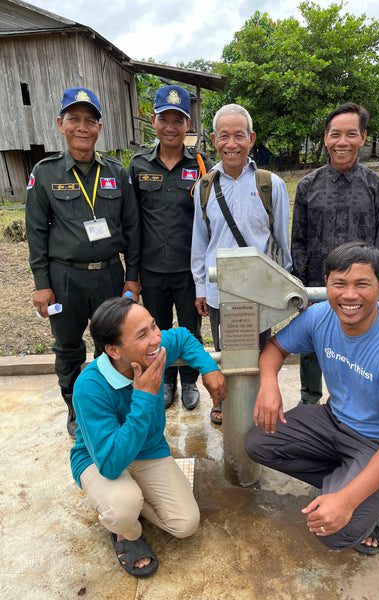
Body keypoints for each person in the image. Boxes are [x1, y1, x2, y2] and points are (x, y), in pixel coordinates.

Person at [246, 243, 379, 555]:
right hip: (335, 421)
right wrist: (268, 383)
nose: (349, 296)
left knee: (335, 533)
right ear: (326, 283)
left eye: (362, 284)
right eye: (339, 284)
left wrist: (346, 500)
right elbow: (275, 348)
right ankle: (363, 485)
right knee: (258, 442)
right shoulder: (320, 317)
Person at [70, 296, 226, 577]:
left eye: (153, 326)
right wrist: (143, 395)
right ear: (113, 350)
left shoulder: (154, 349)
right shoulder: (89, 387)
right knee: (122, 509)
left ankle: (132, 503)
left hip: (148, 450)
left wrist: (209, 368)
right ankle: (125, 532)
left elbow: (183, 336)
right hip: (100, 459)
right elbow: (111, 463)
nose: (156, 339)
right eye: (143, 334)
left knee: (185, 524)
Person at [26, 87, 140, 437]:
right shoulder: (45, 173)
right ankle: (77, 410)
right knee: (68, 347)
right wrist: (42, 284)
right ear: (61, 124)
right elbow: (36, 232)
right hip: (65, 280)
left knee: (114, 346)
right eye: (74, 119)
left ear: (99, 128)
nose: (82, 127)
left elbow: (132, 228)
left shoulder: (117, 173)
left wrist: (132, 278)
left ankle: (113, 404)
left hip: (109, 274)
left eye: (90, 120)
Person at [191, 103, 292, 425]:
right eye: (224, 136)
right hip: (221, 290)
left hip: (260, 290)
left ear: (251, 138)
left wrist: (283, 285)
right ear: (213, 139)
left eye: (238, 135)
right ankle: (225, 401)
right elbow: (199, 242)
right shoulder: (204, 187)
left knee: (261, 351)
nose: (231, 143)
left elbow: (281, 243)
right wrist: (201, 287)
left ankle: (257, 403)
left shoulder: (269, 184)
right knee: (226, 351)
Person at [291, 102, 379, 405]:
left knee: (358, 344)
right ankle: (309, 399)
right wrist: (302, 285)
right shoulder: (308, 186)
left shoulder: (378, 187)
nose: (342, 142)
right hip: (317, 284)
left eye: (351, 134)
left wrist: (377, 284)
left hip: (359, 287)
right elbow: (297, 238)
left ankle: (355, 403)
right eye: (336, 134)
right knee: (312, 345)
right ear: (325, 138)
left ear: (362, 137)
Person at [129, 85, 212, 411]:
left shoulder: (202, 165)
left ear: (187, 124)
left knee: (191, 330)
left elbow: (209, 222)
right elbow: (132, 224)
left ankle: (190, 380)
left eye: (178, 120)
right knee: (156, 333)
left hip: (189, 271)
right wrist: (132, 274)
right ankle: (166, 381)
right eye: (165, 118)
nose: (171, 127)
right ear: (154, 120)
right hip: (151, 271)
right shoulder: (138, 167)